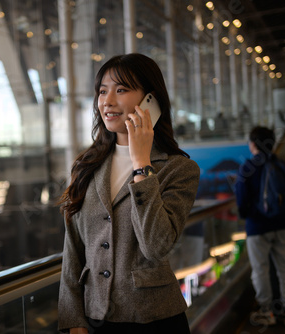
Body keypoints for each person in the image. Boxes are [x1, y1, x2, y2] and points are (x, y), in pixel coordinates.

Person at [57, 53, 200, 334]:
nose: (107, 101)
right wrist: (72, 319)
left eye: (121, 89)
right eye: (102, 91)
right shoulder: (86, 166)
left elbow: (155, 246)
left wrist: (141, 165)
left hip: (155, 319)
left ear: (151, 100)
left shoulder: (178, 169)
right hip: (95, 317)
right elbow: (72, 249)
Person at [235, 126, 285, 327]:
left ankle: (266, 311)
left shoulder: (248, 167)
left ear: (253, 144)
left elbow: (241, 199)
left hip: (257, 227)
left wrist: (248, 215)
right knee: (284, 266)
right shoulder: (280, 164)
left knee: (260, 269)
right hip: (282, 224)